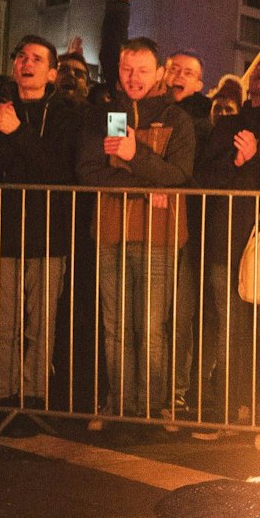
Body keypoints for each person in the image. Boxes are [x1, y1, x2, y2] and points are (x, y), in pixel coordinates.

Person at [74, 36, 195, 431]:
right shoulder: (113, 114)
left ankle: (151, 403)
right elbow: (91, 169)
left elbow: (179, 175)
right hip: (111, 229)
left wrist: (134, 157)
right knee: (116, 323)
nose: (134, 77)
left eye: (143, 70)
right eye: (127, 69)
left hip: (160, 234)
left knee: (151, 323)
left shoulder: (176, 118)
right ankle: (119, 402)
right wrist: (148, 181)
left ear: (160, 72)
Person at [0, 35, 83, 433]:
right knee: (3, 323)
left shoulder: (67, 114)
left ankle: (33, 399)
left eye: (37, 58)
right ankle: (3, 398)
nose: (26, 63)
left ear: (52, 72)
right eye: (20, 56)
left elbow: (59, 171)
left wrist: (16, 133)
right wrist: (10, 133)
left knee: (41, 324)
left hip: (48, 233)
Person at [189, 75, 260, 436]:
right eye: (258, 71)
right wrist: (239, 162)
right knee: (227, 325)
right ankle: (225, 407)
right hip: (228, 239)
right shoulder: (228, 127)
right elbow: (204, 176)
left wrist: (257, 158)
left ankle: (256, 408)